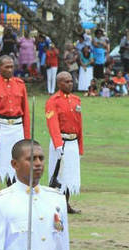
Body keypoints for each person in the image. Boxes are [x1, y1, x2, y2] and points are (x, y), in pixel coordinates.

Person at [0, 55, 30, 195]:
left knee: (18, 161)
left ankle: (16, 194)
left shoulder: (20, 84)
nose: (10, 70)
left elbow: (26, 112)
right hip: (1, 127)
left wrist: (26, 136)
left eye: (12, 67)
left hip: (17, 127)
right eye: (7, 67)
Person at [46, 71, 84, 214]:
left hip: (73, 141)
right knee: (58, 175)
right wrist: (57, 144)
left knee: (70, 174)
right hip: (61, 142)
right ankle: (55, 204)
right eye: (66, 82)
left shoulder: (76, 100)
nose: (70, 84)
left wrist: (80, 146)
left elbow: (79, 125)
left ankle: (66, 203)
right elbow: (52, 124)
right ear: (59, 83)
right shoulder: (53, 101)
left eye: (71, 81)